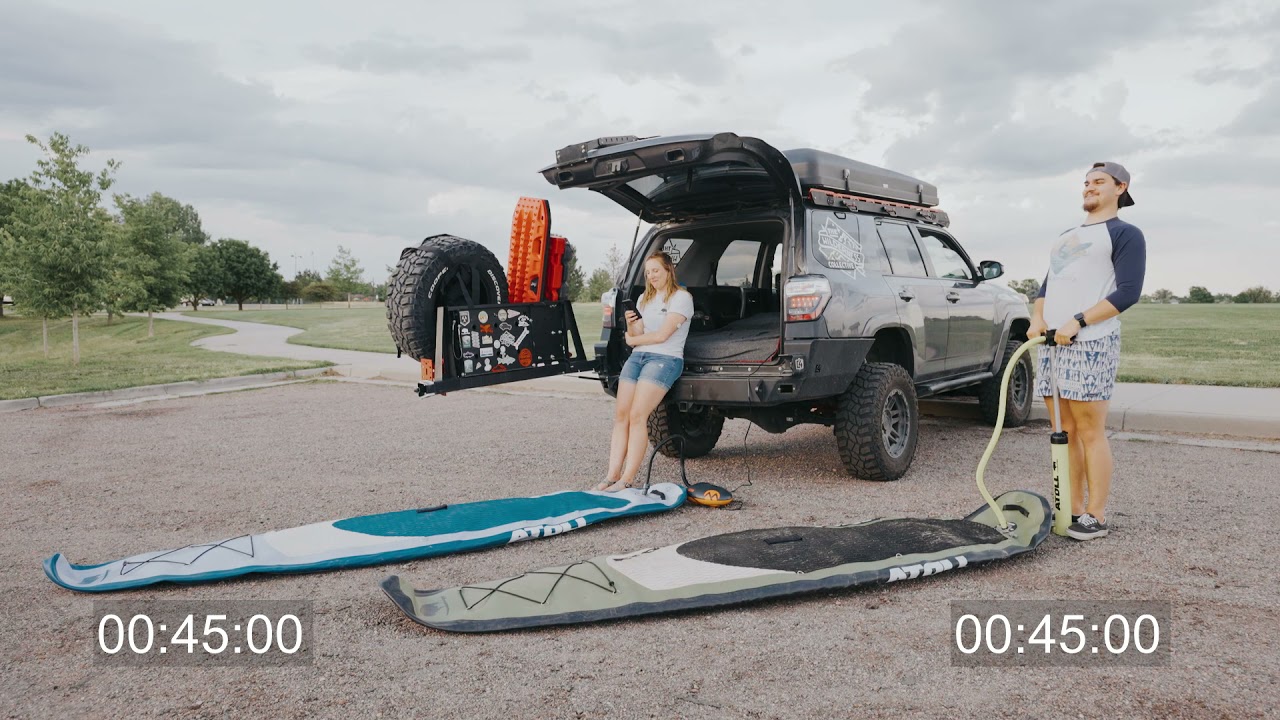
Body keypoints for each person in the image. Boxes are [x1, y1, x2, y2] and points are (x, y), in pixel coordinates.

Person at [1028, 161, 1146, 540]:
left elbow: (1127, 292)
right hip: (1051, 345)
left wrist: (1078, 321)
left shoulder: (1126, 234)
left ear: (1120, 187)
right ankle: (1070, 511)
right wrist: (1037, 318)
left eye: (1099, 182)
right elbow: (1046, 286)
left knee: (1090, 431)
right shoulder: (1067, 236)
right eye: (1086, 182)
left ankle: (1096, 515)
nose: (1089, 187)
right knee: (1063, 429)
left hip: (1091, 342)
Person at [593, 251, 694, 492]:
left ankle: (627, 480)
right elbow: (638, 334)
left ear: (668, 269)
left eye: (656, 270)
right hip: (639, 356)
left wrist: (632, 340)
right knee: (621, 415)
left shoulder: (681, 298)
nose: (651, 276)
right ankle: (611, 476)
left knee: (639, 415)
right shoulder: (643, 299)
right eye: (648, 272)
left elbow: (661, 336)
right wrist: (631, 325)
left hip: (665, 358)